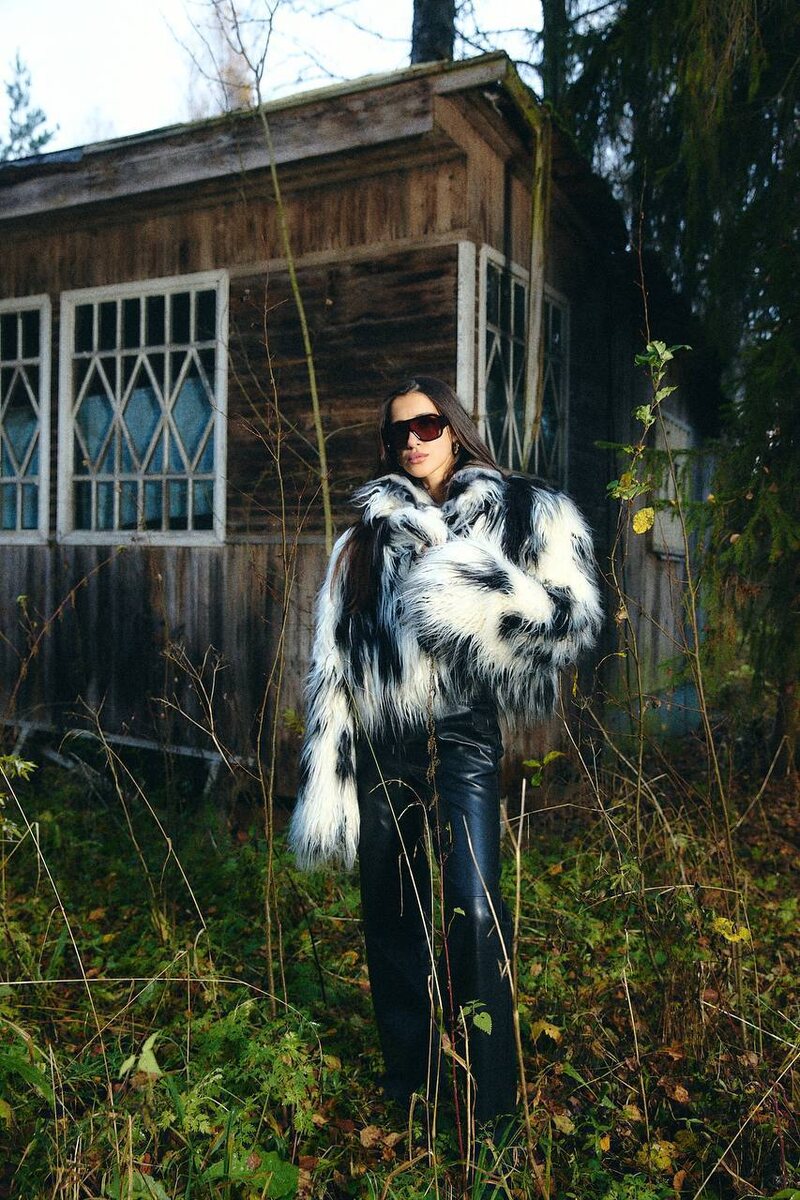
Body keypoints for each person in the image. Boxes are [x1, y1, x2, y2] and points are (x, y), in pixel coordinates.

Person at [289, 376, 602, 1124]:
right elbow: (332, 665)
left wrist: (470, 587)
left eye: (427, 425)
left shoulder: (522, 511)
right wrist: (327, 775)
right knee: (393, 916)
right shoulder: (362, 540)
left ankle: (492, 1108)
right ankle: (413, 1088)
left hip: (464, 736)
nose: (413, 441)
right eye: (398, 432)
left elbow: (571, 621)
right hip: (383, 741)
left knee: (474, 907)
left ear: (455, 429)